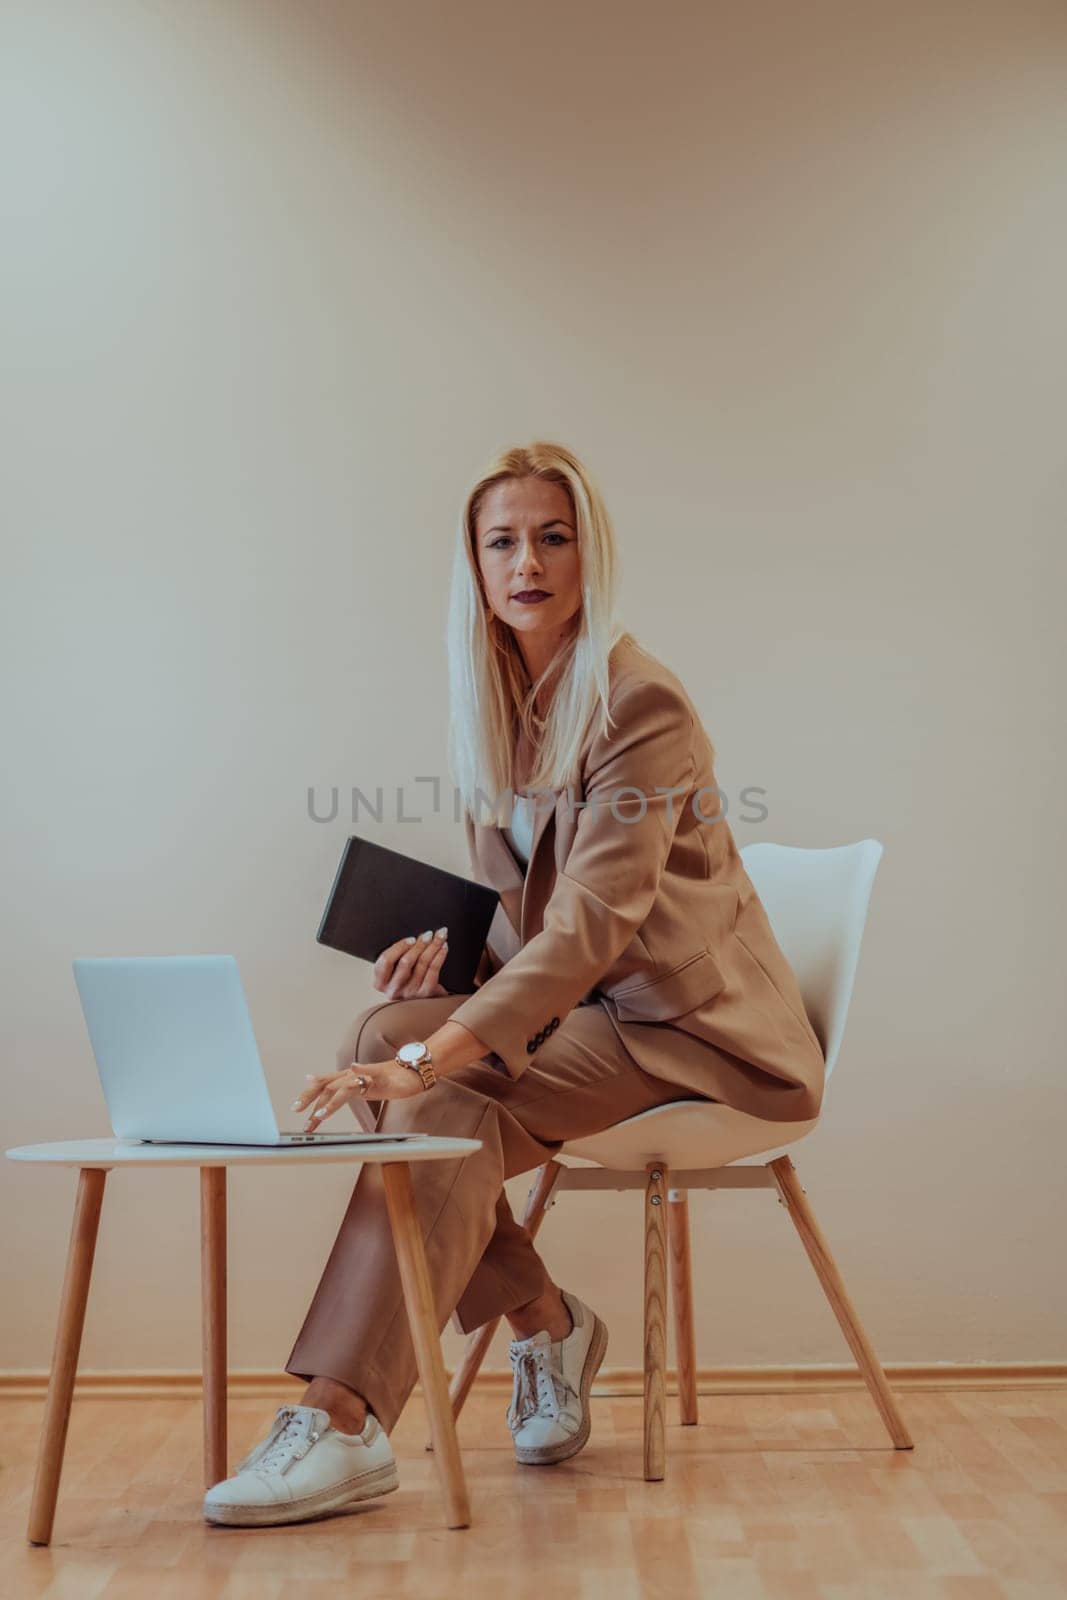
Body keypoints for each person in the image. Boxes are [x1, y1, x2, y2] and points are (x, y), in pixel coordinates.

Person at [203, 440, 826, 1527]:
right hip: (601, 1008)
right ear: (476, 567)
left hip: (690, 1034)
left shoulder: (641, 704)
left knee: (437, 1090)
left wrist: (429, 1056)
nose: (527, 561)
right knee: (384, 1016)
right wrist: (443, 979)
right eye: (502, 541)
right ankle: (546, 1321)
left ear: (589, 552)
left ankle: (340, 1415)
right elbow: (532, 925)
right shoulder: (497, 706)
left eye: (552, 535)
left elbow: (592, 925)